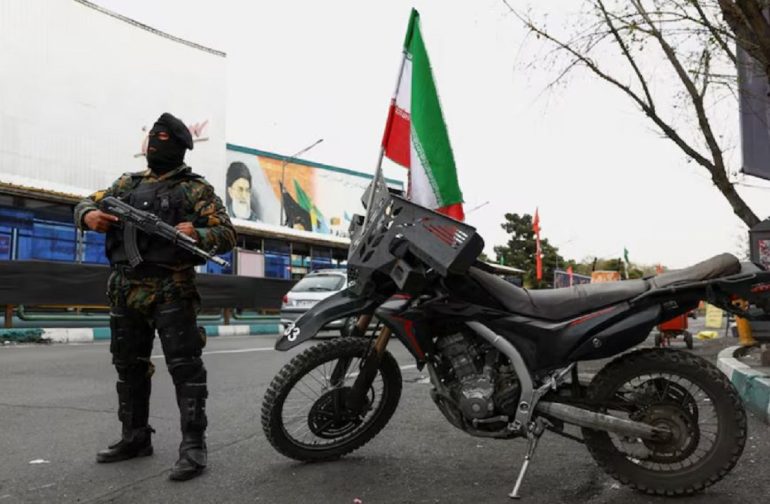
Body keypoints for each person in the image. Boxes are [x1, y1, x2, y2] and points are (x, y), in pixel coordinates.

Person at [74, 112, 237, 481]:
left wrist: (197, 233)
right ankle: (135, 436)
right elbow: (87, 201)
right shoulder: (126, 184)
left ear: (178, 147)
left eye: (163, 141)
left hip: (171, 288)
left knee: (185, 367)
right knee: (128, 365)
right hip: (125, 287)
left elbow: (227, 234)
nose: (154, 147)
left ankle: (193, 445)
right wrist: (88, 217)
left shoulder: (195, 190)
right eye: (153, 139)